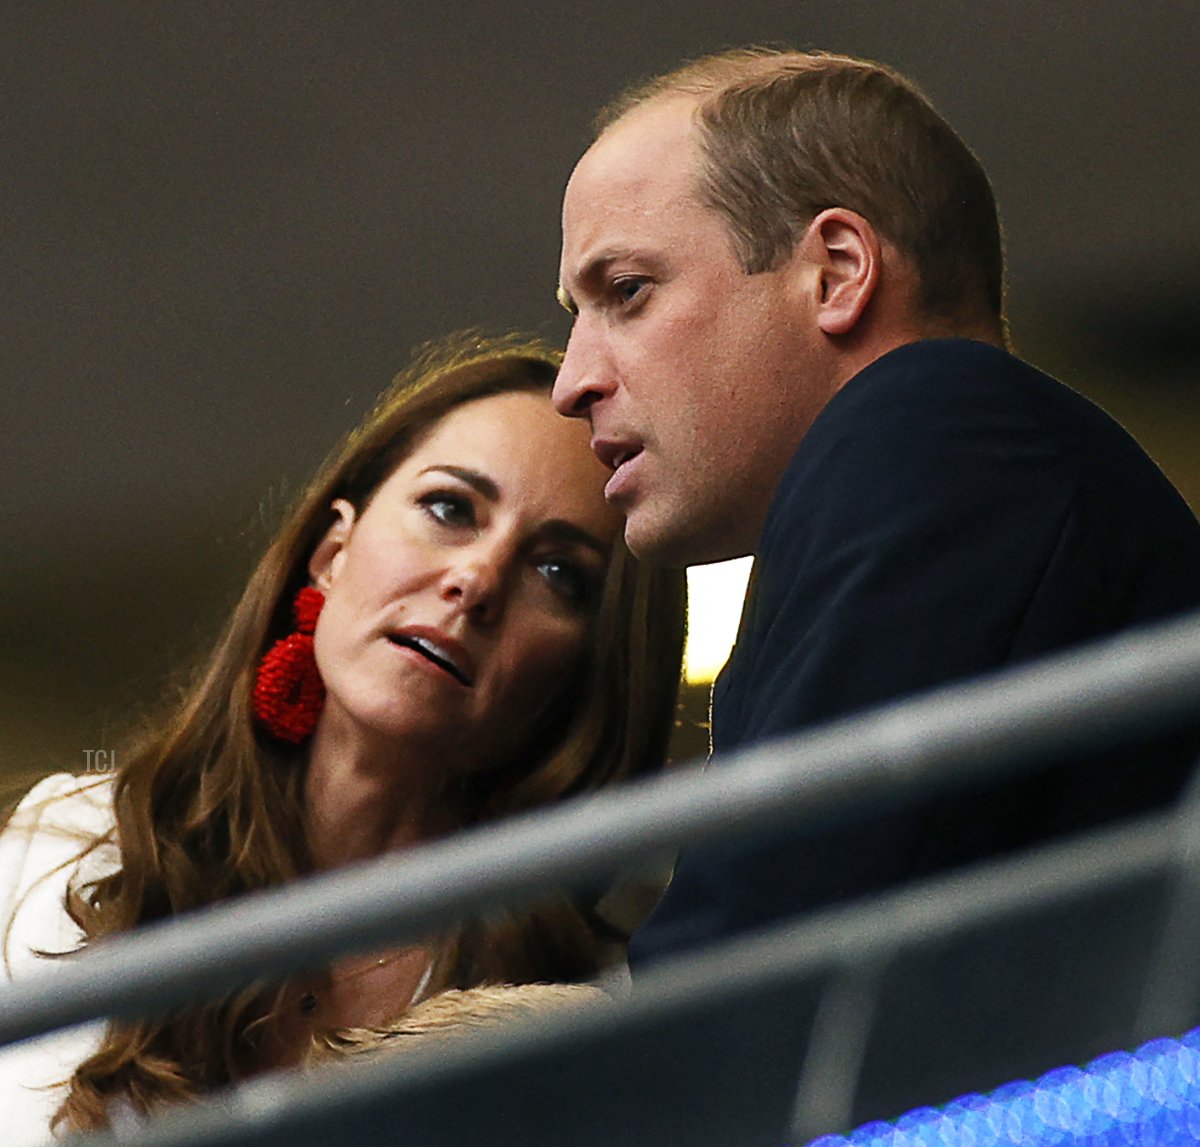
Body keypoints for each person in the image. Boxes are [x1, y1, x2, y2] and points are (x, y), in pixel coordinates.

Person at [551, 47, 1200, 960]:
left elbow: (749, 977)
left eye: (626, 292)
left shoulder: (931, 421)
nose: (573, 381)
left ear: (838, 272)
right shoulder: (934, 458)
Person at [0, 334, 686, 1141]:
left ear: (586, 669)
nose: (477, 579)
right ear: (333, 551)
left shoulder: (592, 1008)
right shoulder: (68, 844)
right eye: (450, 508)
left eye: (559, 572)